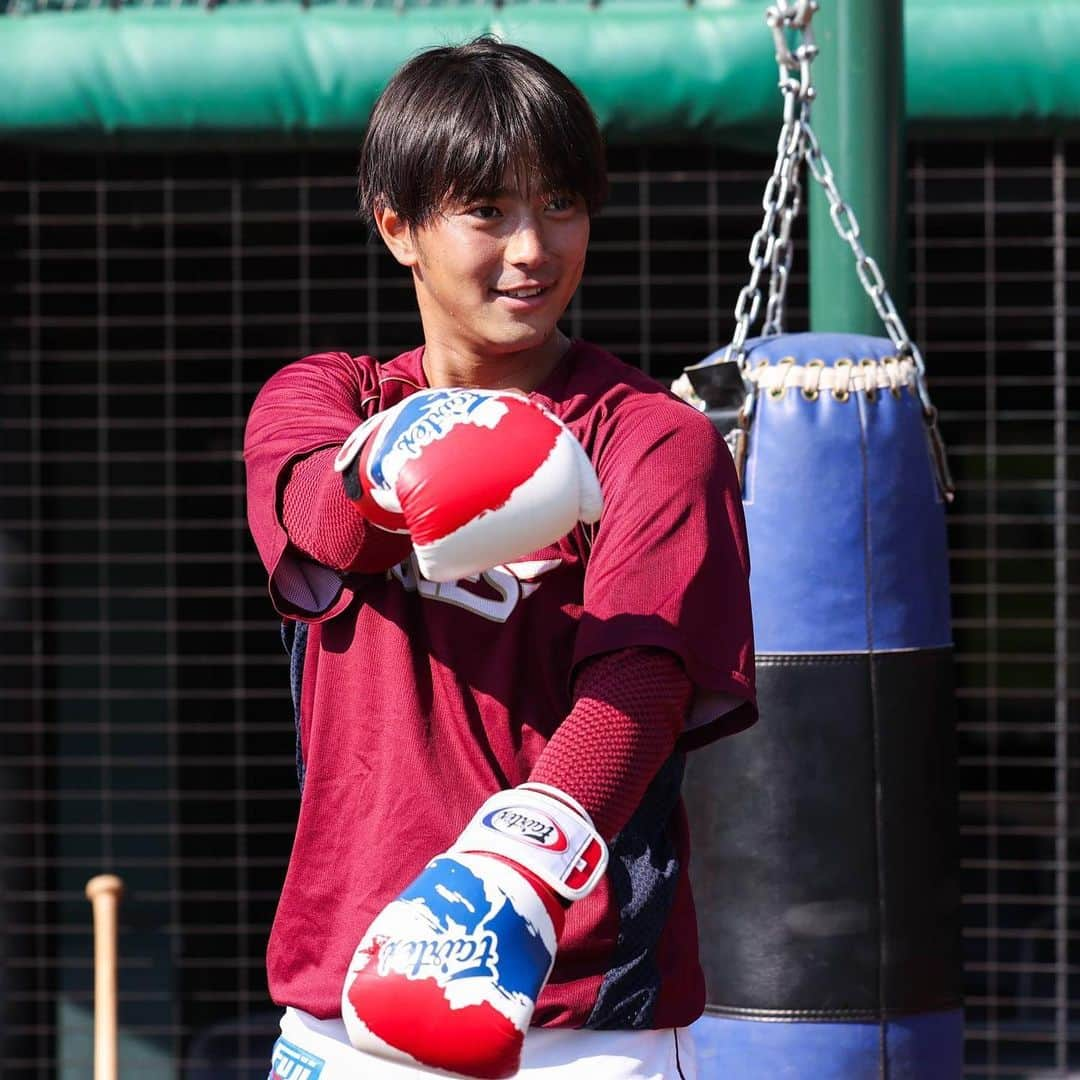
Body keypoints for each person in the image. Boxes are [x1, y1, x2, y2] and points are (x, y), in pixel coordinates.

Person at [244, 37, 755, 1080]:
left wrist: (497, 882)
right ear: (398, 227)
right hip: (343, 1010)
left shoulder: (652, 435)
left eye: (560, 204)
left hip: (576, 1020)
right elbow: (322, 524)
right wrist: (413, 461)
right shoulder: (324, 400)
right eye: (487, 211)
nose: (533, 248)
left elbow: (641, 684)